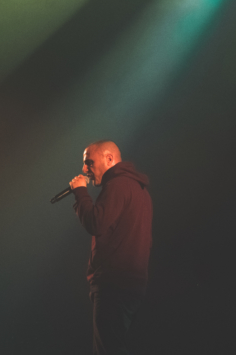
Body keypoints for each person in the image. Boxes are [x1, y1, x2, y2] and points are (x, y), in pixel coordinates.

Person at [69, 140, 153, 355]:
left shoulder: (118, 185)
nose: (84, 169)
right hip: (131, 283)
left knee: (107, 349)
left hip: (114, 283)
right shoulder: (138, 188)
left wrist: (80, 193)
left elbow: (95, 223)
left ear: (109, 159)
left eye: (89, 162)